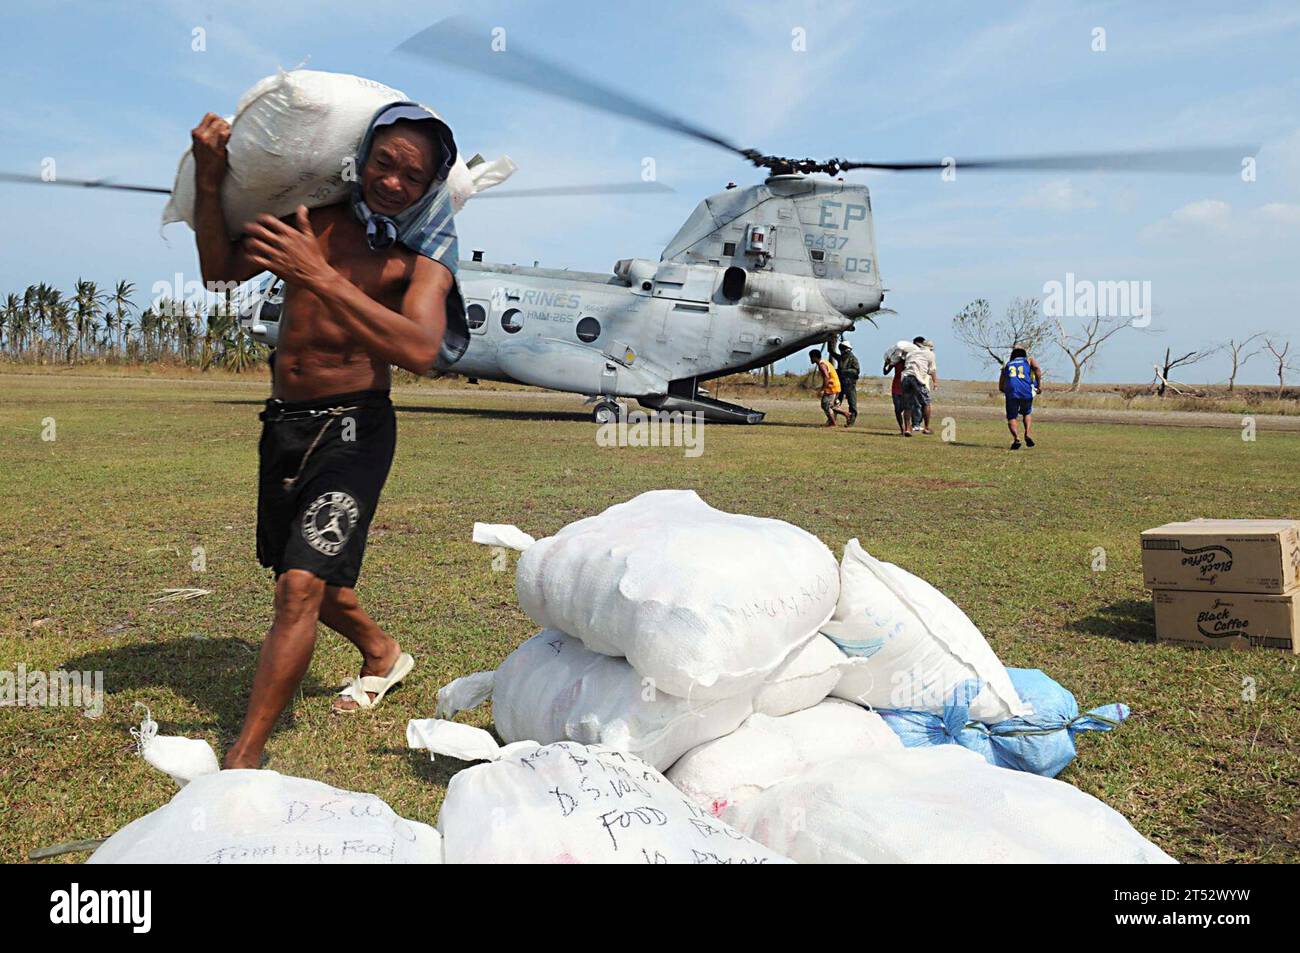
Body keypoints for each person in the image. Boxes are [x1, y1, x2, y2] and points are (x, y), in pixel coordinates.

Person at [191, 101, 470, 769]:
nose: (394, 183)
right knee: (309, 576)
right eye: (384, 163)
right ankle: (383, 653)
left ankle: (244, 758)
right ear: (362, 157)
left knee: (300, 587)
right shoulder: (313, 217)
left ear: (432, 184)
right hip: (285, 424)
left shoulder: (421, 257)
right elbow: (219, 270)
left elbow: (420, 347)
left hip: (355, 430)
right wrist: (207, 181)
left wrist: (315, 275)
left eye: (413, 176)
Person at [999, 345, 1042, 450]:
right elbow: (1037, 368)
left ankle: (1016, 438)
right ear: (1024, 355)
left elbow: (1001, 384)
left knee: (1012, 417)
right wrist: (1039, 385)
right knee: (1026, 413)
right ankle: (1027, 434)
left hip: (1012, 392)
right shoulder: (1028, 361)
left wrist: (1004, 390)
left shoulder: (1007, 365)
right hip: (1026, 391)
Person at [901, 336, 938, 436]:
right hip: (917, 379)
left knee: (907, 405)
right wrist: (935, 383)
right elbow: (932, 370)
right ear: (930, 348)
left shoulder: (912, 352)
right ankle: (926, 428)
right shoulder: (930, 354)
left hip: (905, 377)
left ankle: (907, 429)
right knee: (926, 402)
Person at [809, 348, 842, 427]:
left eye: (811, 357)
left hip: (831, 387)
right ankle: (845, 415)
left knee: (825, 405)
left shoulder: (821, 365)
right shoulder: (825, 362)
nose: (810, 359)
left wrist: (822, 389)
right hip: (836, 386)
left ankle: (833, 423)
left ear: (814, 357)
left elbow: (826, 377)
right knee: (832, 405)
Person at [831, 338, 860, 426]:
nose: (841, 350)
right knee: (835, 402)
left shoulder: (853, 359)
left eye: (842, 348)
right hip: (841, 384)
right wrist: (831, 338)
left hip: (850, 384)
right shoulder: (841, 358)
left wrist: (843, 371)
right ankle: (832, 420)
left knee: (852, 404)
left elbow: (856, 371)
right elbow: (831, 352)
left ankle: (851, 422)